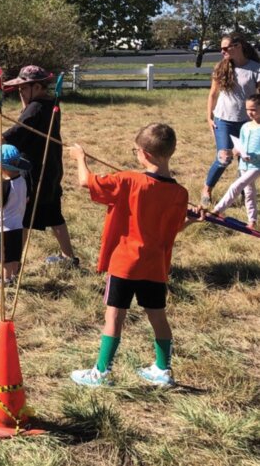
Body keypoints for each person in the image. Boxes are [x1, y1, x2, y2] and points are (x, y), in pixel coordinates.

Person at [68, 124, 189, 388]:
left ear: (143, 153)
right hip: (154, 265)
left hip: (125, 264)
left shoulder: (128, 181)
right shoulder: (180, 194)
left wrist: (80, 158)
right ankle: (163, 370)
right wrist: (193, 220)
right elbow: (176, 226)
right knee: (157, 316)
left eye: (135, 150)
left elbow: (85, 181)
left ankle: (101, 373)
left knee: (114, 316)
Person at [0, 65, 77, 265]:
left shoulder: (35, 108)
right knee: (53, 213)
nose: (20, 92)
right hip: (50, 166)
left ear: (37, 87)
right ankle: (68, 257)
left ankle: (13, 266)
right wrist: (25, 102)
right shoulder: (51, 102)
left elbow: (13, 133)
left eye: (24, 88)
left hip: (35, 169)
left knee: (21, 216)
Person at [200, 33, 260, 207]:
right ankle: (207, 189)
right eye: (221, 48)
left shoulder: (256, 69)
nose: (222, 51)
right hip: (223, 120)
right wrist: (209, 117)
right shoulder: (221, 68)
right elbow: (213, 94)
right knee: (224, 157)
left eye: (226, 48)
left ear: (238, 46)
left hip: (246, 123)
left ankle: (242, 192)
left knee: (245, 159)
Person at [209, 94, 260, 229]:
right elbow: (239, 145)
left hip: (256, 166)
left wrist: (252, 156)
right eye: (247, 109)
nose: (250, 112)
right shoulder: (245, 127)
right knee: (249, 193)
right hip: (244, 164)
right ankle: (252, 221)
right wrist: (232, 151)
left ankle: (217, 210)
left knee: (236, 186)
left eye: (253, 109)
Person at [0, 144, 31, 285]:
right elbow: (27, 198)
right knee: (14, 255)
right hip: (18, 225)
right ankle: (12, 276)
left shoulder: (4, 185)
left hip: (3, 227)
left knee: (5, 257)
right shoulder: (22, 181)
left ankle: (5, 279)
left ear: (1, 167)